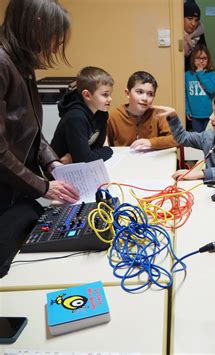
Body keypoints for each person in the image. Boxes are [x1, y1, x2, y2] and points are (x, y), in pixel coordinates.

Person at [0, 0, 80, 277]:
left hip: (16, 189)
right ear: (37, 27)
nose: (54, 49)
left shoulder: (21, 63)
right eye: (53, 41)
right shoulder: (1, 63)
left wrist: (52, 164)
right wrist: (45, 187)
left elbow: (32, 129)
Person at [51, 66, 114, 163]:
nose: (110, 99)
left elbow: (96, 148)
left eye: (110, 94)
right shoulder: (75, 117)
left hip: (79, 166)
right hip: (61, 169)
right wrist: (108, 150)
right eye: (105, 95)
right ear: (87, 95)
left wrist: (82, 156)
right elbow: (85, 159)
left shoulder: (102, 113)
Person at [107, 71, 177, 151]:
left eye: (150, 94)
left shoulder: (158, 114)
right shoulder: (113, 117)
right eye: (140, 92)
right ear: (127, 93)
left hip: (152, 161)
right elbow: (105, 147)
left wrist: (151, 142)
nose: (145, 98)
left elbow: (177, 139)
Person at [185, 45, 215, 133]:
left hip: (209, 114)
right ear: (193, 59)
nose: (201, 61)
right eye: (198, 58)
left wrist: (200, 74)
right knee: (198, 138)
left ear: (208, 60)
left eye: (204, 58)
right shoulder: (188, 75)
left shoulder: (212, 74)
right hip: (194, 115)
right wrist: (187, 110)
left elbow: (211, 89)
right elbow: (185, 94)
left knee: (209, 138)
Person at [184, 0, 206, 72]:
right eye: (190, 19)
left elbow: (204, 58)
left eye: (196, 20)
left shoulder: (199, 35)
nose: (193, 23)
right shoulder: (175, 34)